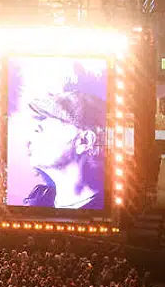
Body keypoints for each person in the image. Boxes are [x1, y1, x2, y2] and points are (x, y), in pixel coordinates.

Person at [18, 76, 105, 210]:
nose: (37, 127)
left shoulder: (103, 208)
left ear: (85, 141)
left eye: (54, 118)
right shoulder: (38, 199)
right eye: (43, 118)